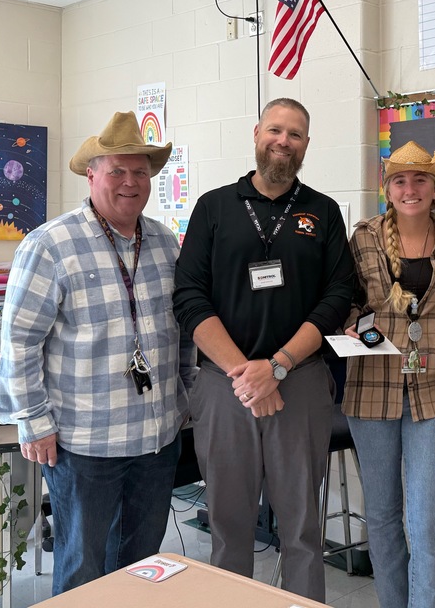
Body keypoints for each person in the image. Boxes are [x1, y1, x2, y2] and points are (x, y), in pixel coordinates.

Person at [0, 111, 195, 595]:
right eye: (117, 171)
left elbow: (184, 329)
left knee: (143, 566)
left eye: (141, 172)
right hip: (85, 444)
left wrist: (184, 396)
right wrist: (33, 421)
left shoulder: (167, 243)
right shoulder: (50, 244)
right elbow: (20, 340)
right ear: (92, 175)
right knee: (84, 570)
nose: (130, 182)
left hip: (156, 439)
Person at [173, 97, 354, 602]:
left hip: (300, 384)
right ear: (256, 134)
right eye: (275, 130)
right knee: (229, 526)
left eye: (295, 134)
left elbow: (338, 297)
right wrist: (246, 375)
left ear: (306, 146)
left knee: (300, 529)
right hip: (224, 387)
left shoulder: (323, 211)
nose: (283, 141)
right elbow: (188, 298)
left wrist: (277, 366)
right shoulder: (213, 207)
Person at [342, 141, 435, 608]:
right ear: (388, 189)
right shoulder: (364, 238)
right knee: (384, 517)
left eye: (420, 180)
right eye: (400, 180)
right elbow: (347, 300)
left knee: (428, 519)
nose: (410, 189)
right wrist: (351, 320)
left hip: (432, 392)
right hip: (372, 389)